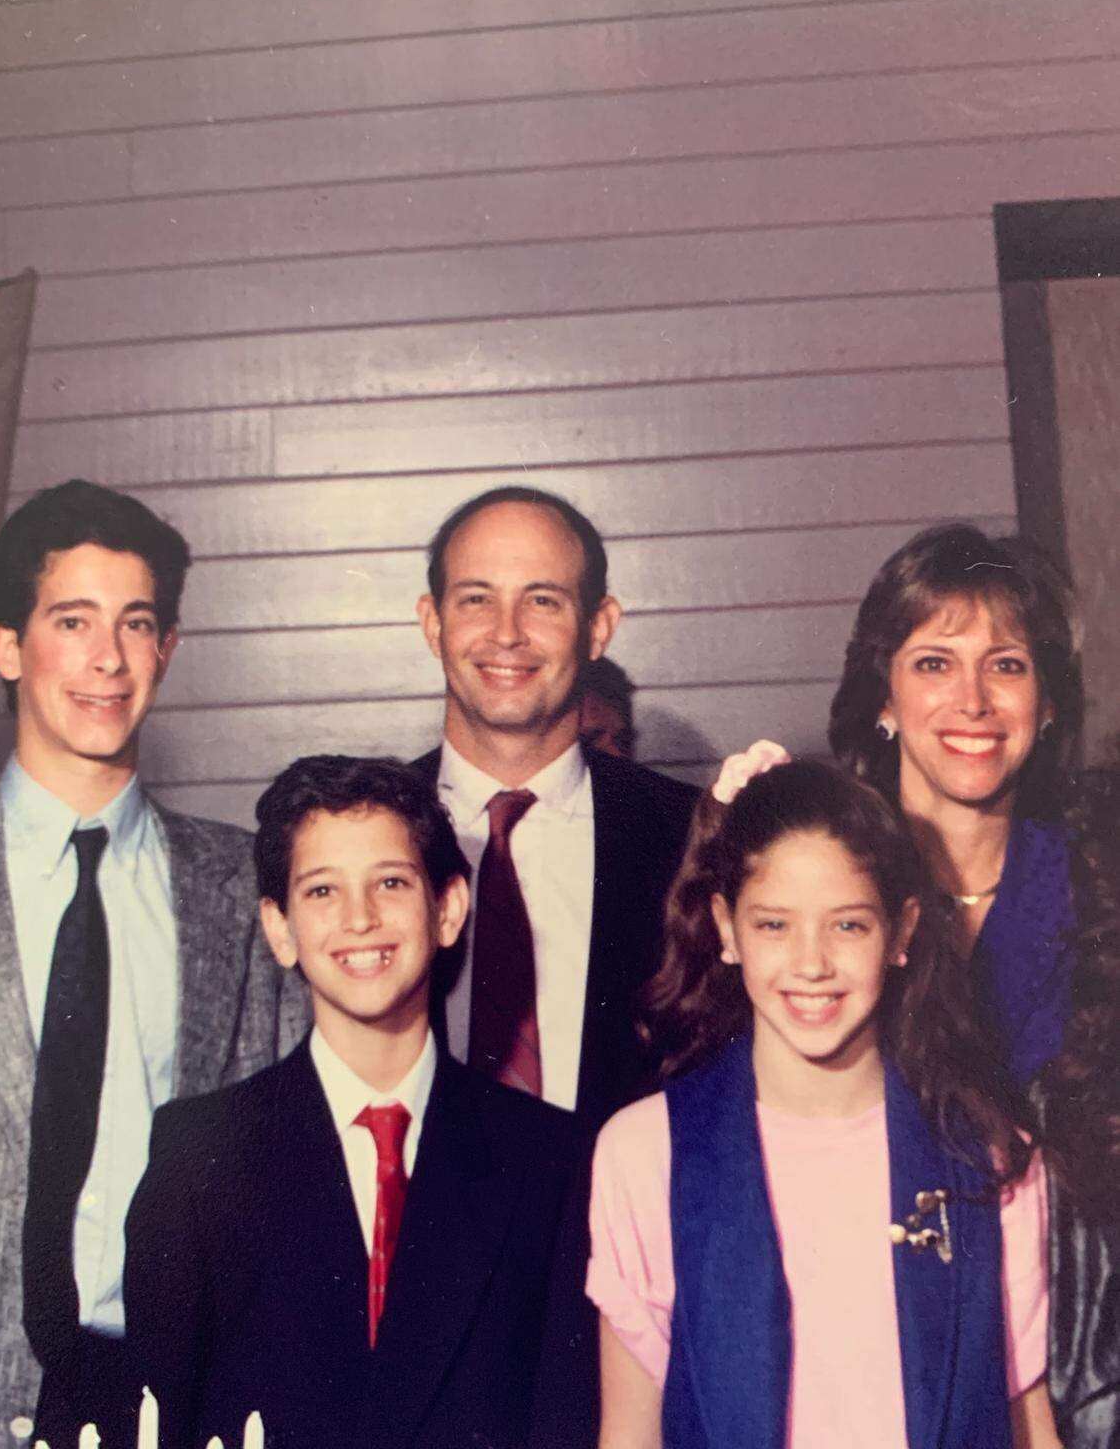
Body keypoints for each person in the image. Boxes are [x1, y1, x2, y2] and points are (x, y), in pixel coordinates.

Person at [587, 760, 1057, 1449]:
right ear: (725, 928)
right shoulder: (645, 1152)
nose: (811, 964)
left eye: (848, 927)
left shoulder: (988, 1154)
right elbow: (629, 1433)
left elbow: (1028, 1422)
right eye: (774, 925)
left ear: (901, 934)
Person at [124, 756, 582, 1449]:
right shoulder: (199, 1156)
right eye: (321, 892)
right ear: (279, 930)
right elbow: (160, 1416)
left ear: (448, 908)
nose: (360, 919)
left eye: (391, 882)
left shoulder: (548, 1158)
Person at [0, 480, 297, 1449]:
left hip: (174, 1396)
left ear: (166, 648)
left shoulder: (241, 882)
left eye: (136, 623)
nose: (107, 658)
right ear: (5, 643)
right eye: (72, 620)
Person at [826, 522, 1120, 1446]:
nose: (974, 701)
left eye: (1006, 665)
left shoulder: (1101, 887)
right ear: (883, 693)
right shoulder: (823, 886)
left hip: (1088, 1358)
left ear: (1046, 701)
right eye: (933, 663)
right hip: (879, 1343)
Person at [414, 486, 698, 1127]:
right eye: (476, 599)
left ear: (599, 627)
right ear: (433, 623)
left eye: (542, 600)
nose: (507, 633)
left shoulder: (690, 835)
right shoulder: (369, 830)